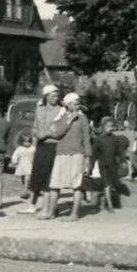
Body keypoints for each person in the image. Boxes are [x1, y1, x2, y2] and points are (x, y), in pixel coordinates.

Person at [43, 92, 91, 221]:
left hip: (77, 154)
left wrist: (88, 158)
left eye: (78, 103)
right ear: (67, 104)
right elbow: (58, 133)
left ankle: (74, 214)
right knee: (55, 184)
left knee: (76, 185)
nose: (76, 105)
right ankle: (51, 212)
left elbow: (86, 138)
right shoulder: (61, 117)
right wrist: (69, 120)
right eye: (74, 103)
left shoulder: (83, 118)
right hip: (61, 153)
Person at [20, 84, 65, 215]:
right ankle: (33, 205)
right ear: (46, 96)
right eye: (53, 96)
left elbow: (60, 130)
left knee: (51, 176)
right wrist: (36, 135)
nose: (56, 98)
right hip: (40, 145)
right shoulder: (39, 109)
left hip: (53, 145)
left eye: (57, 96)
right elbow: (34, 126)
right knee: (38, 174)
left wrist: (46, 134)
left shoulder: (61, 110)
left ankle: (52, 206)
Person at [90, 116, 129, 212]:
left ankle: (104, 203)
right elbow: (94, 154)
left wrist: (123, 161)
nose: (110, 128)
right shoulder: (98, 139)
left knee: (111, 184)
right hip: (103, 165)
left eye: (111, 126)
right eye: (108, 126)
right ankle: (110, 205)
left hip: (113, 164)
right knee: (107, 184)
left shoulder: (115, 139)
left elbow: (120, 151)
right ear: (103, 127)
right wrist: (90, 166)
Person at [10, 132, 36, 198]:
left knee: (27, 178)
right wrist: (14, 161)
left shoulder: (33, 148)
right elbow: (15, 155)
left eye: (29, 142)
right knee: (23, 178)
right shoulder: (19, 149)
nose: (27, 143)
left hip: (30, 165)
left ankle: (25, 191)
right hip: (21, 165)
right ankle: (25, 189)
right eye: (25, 142)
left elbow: (36, 156)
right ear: (22, 142)